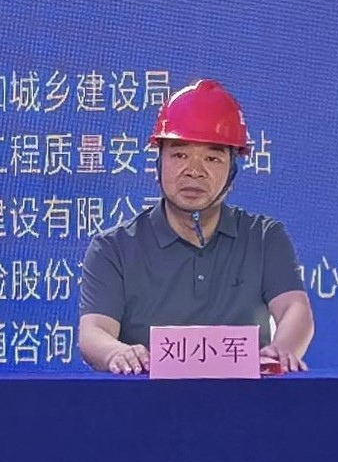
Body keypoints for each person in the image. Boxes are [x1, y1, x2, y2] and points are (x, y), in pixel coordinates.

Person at [78, 78, 314, 374]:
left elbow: (295, 309)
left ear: (232, 170)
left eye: (212, 158)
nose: (194, 171)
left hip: (247, 399)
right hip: (143, 399)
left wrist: (283, 350)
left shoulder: (264, 237)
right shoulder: (114, 248)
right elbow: (94, 331)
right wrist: (117, 352)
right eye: (179, 155)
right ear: (158, 162)